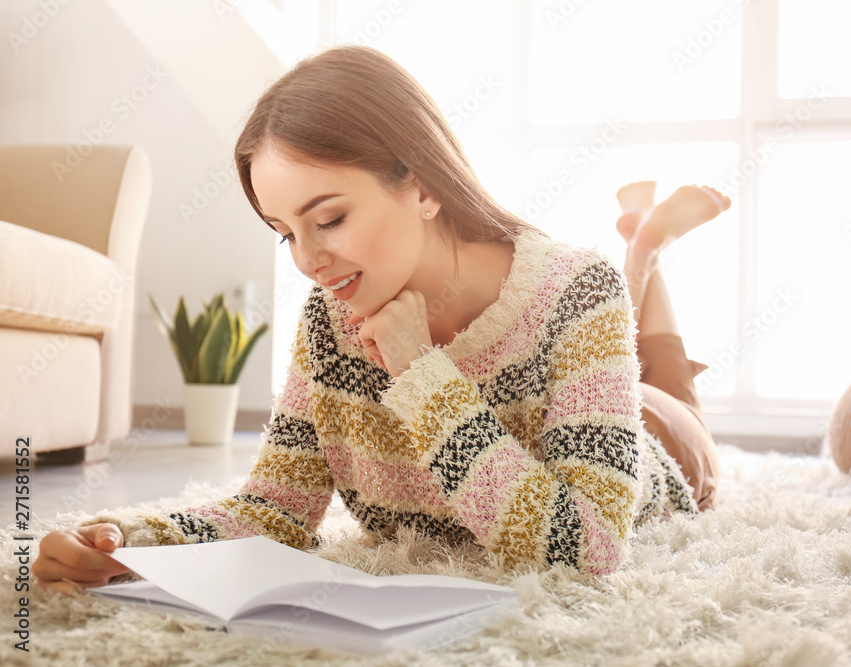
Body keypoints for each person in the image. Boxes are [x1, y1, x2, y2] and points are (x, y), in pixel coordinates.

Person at [34, 45, 726, 593]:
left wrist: (422, 374)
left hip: (660, 442)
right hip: (581, 388)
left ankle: (644, 255)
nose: (308, 260)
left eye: (329, 218)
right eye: (285, 232)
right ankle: (647, 247)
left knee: (669, 385)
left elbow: (590, 548)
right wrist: (123, 537)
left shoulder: (577, 291)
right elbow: (276, 507)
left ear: (421, 184)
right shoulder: (332, 318)